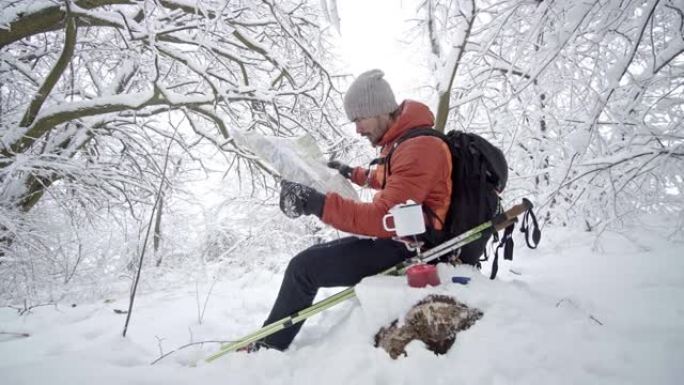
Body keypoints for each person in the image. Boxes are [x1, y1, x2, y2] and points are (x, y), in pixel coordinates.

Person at [256, 69, 453, 351]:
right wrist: (351, 173)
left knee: (304, 268)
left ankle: (267, 349)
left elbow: (383, 217)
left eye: (360, 119)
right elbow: (390, 179)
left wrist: (317, 203)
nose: (358, 129)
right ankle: (268, 342)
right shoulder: (405, 141)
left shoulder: (419, 147)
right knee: (307, 260)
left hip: (414, 247)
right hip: (402, 239)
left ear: (381, 110)